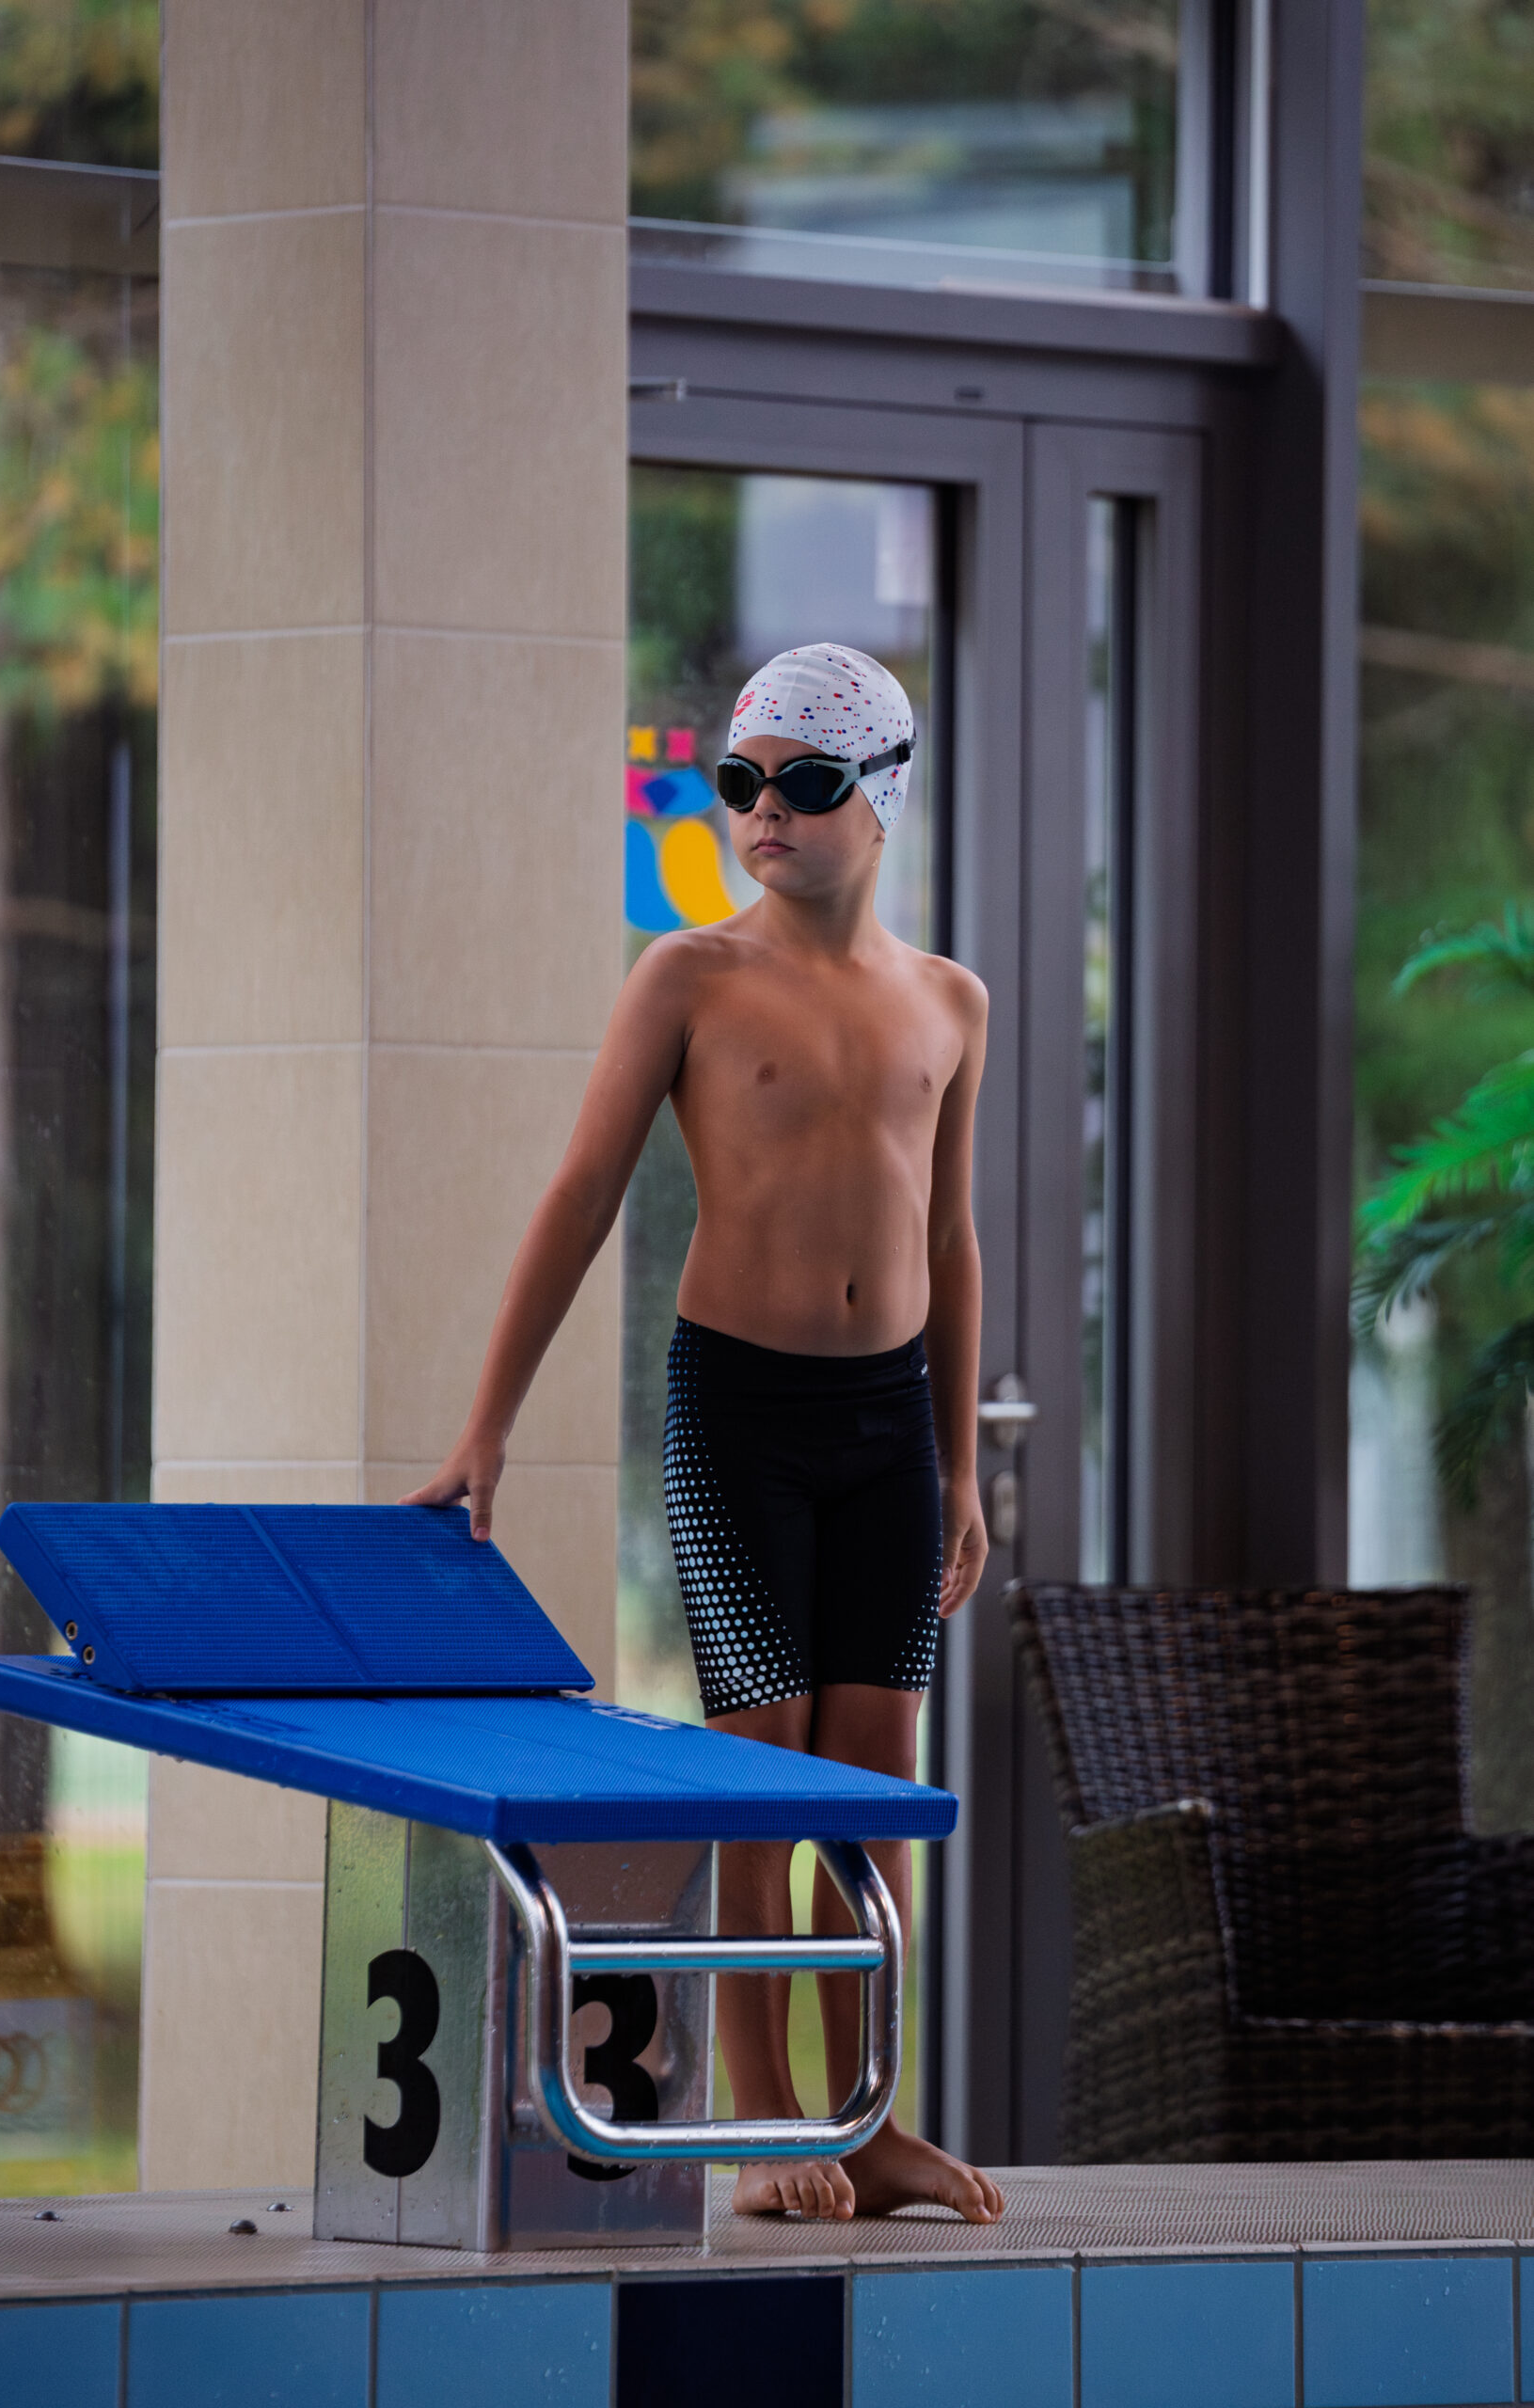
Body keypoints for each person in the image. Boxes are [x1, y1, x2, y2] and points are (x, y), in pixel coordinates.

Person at [404, 642, 1002, 2226]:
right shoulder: (689, 976)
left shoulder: (951, 1001)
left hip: (890, 1423)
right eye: (741, 782)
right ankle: (765, 2118)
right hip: (739, 1414)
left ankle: (869, 2119)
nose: (763, 812)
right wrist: (488, 1426)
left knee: (877, 1787)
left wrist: (959, 1467)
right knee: (762, 1772)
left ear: (882, 796)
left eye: (805, 783)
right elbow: (579, 1198)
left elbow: (950, 1245)